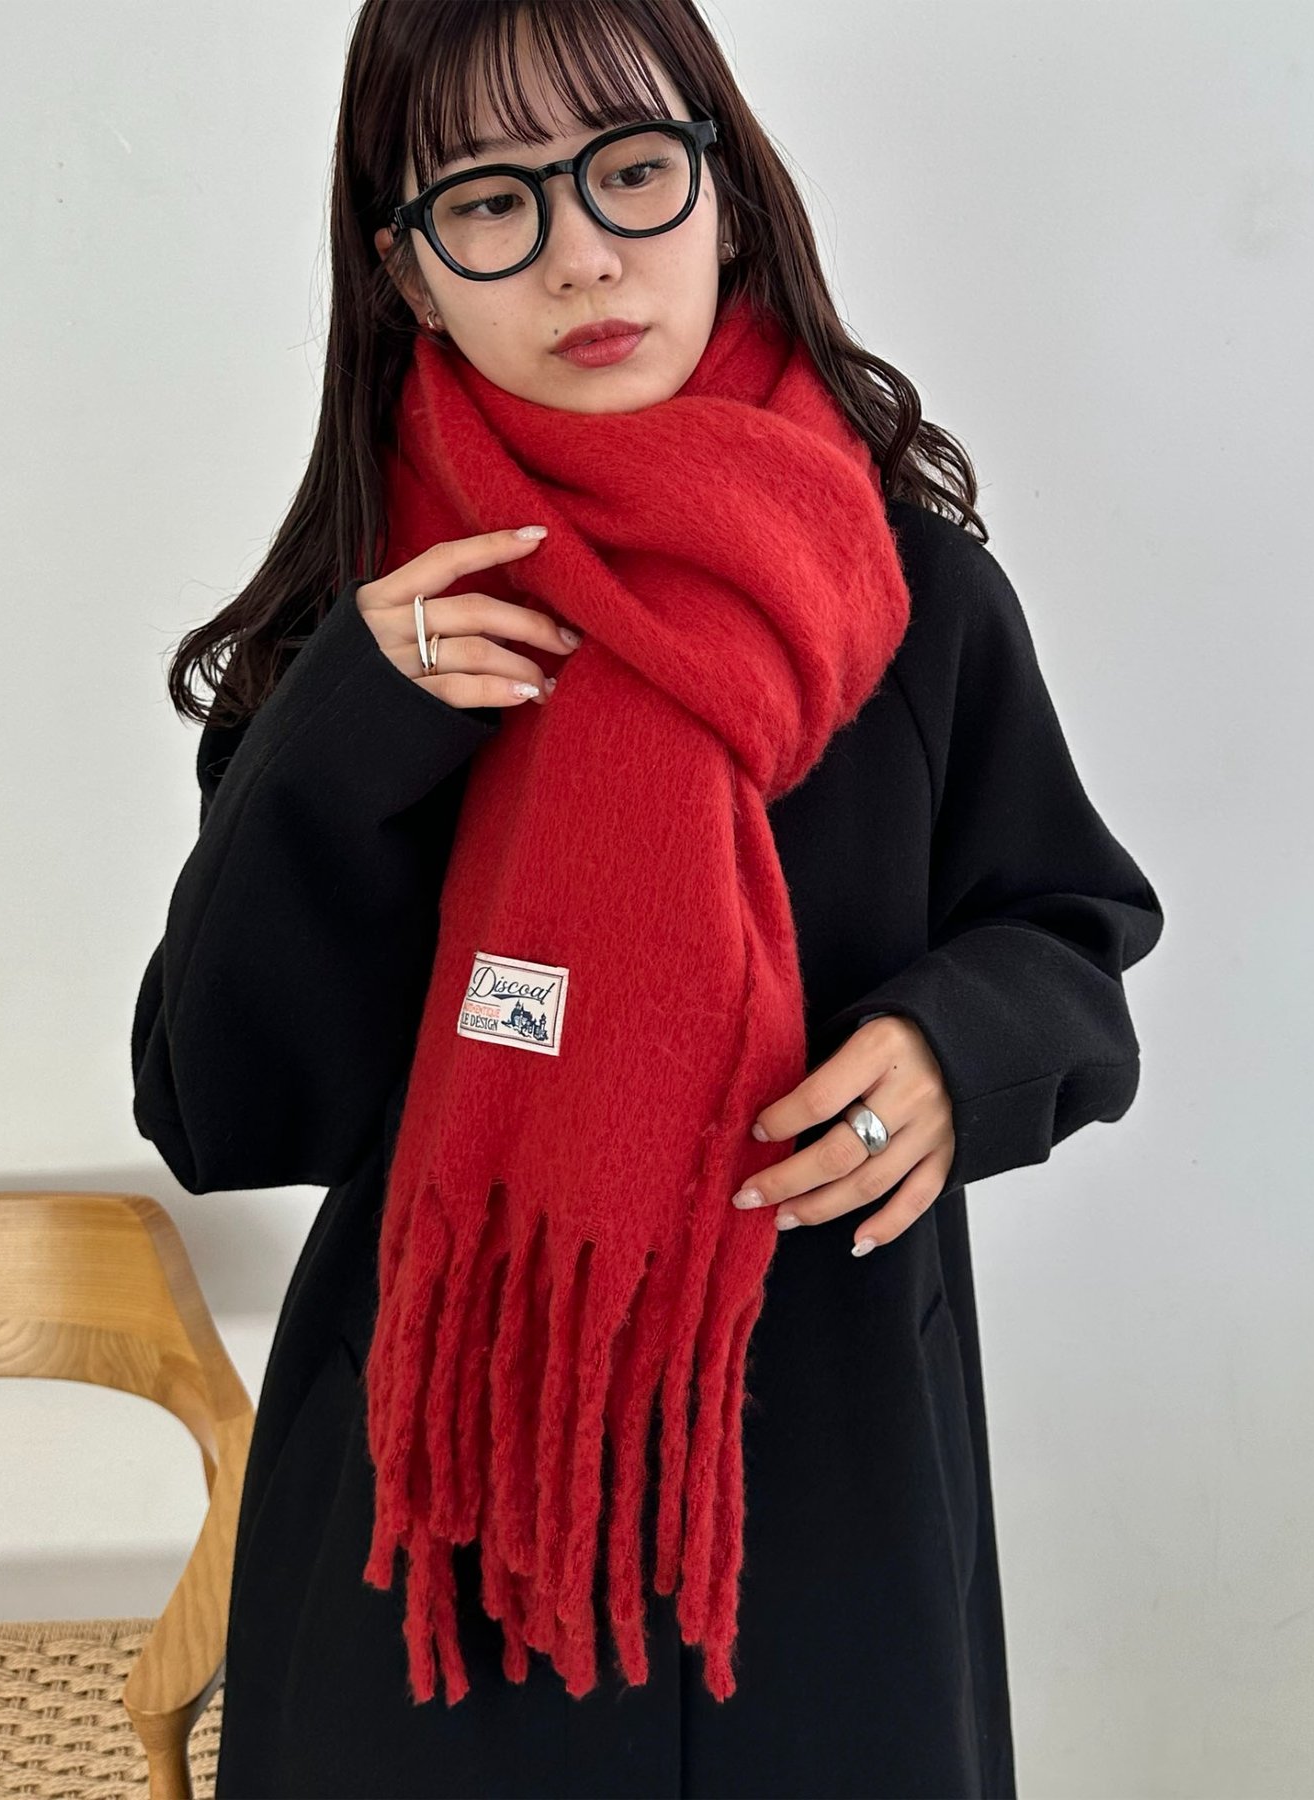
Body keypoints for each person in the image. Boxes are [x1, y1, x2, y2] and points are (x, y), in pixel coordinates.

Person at [130, 3, 1164, 1795]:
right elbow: (221, 1109)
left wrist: (955, 1049)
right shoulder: (366, 630)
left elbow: (1068, 936)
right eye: (490, 201)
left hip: (826, 1500)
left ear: (726, 195)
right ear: (405, 270)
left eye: (628, 170)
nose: (582, 255)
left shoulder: (914, 597)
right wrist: (342, 738)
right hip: (438, 1547)